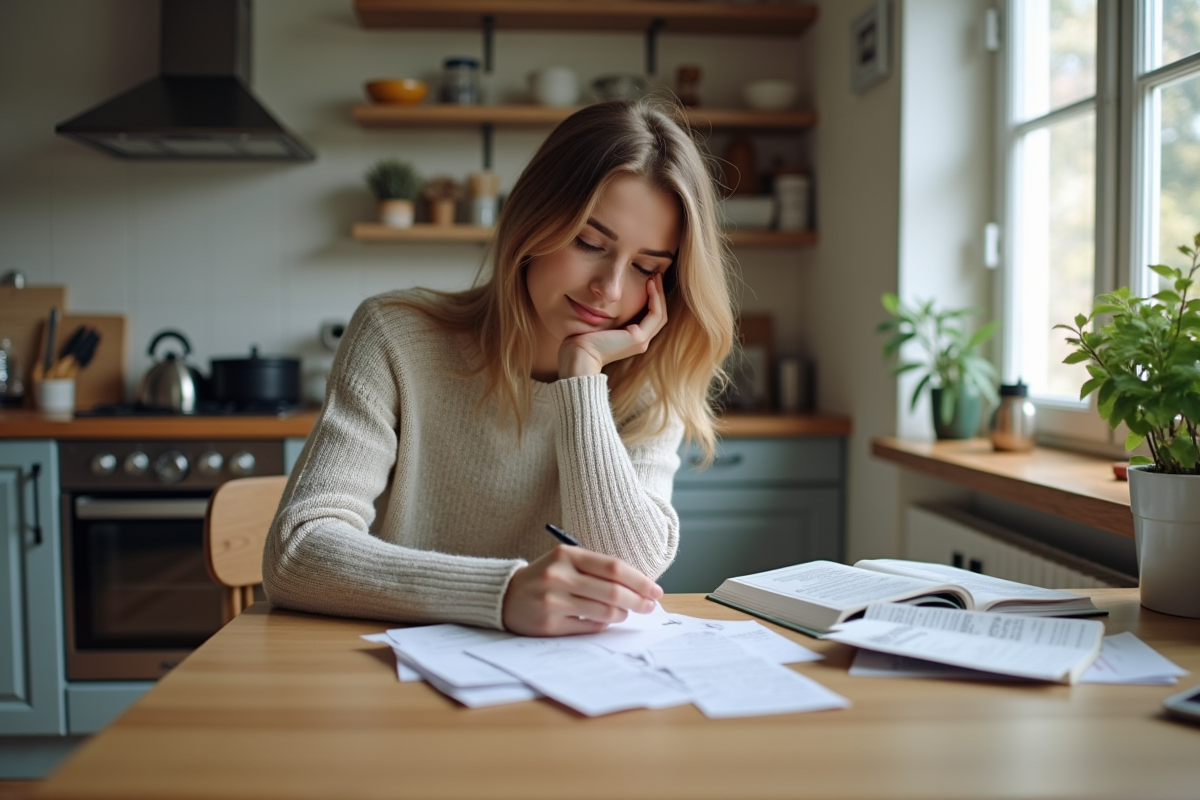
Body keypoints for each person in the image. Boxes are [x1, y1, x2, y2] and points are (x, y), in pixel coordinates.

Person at [262, 100, 736, 636]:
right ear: (532, 221)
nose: (608, 289)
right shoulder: (395, 336)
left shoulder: (650, 381)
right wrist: (499, 594)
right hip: (396, 668)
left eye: (646, 267)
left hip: (559, 678)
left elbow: (630, 572)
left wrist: (581, 378)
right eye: (589, 243)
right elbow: (296, 551)